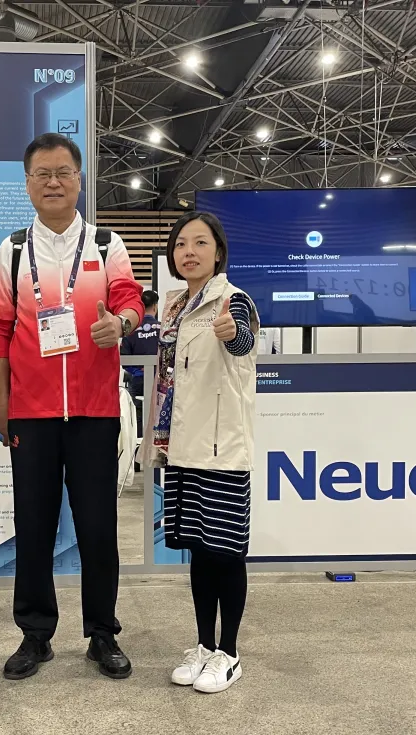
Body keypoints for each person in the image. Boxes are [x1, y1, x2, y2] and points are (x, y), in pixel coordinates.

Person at [0, 133, 144, 681]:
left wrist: (120, 323)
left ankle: (102, 633)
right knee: (33, 526)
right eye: (42, 174)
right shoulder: (11, 251)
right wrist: (1, 405)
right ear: (28, 183)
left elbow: (129, 299)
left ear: (79, 180)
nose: (53, 182)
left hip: (95, 411)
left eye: (63, 172)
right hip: (31, 414)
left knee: (98, 527)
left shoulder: (106, 243)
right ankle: (35, 634)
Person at [142, 211, 258, 695]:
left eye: (200, 243)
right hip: (183, 448)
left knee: (225, 552)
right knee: (199, 551)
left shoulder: (235, 299)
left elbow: (244, 343)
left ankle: (229, 653)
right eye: (181, 244)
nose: (188, 251)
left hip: (221, 448)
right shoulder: (173, 305)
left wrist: (232, 334)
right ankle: (204, 645)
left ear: (218, 251)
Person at [120, 289, 160, 430]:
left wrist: (138, 371)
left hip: (137, 381)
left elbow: (123, 358)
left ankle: (138, 441)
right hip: (158, 381)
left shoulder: (130, 331)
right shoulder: (163, 329)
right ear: (155, 306)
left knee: (136, 418)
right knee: (158, 416)